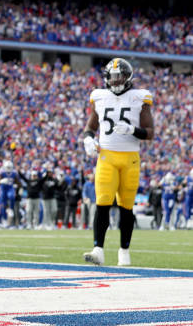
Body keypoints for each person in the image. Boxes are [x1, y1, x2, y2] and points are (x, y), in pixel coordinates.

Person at [82, 58, 154, 266]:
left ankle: (124, 251)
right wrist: (87, 138)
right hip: (107, 156)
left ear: (128, 77)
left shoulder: (140, 97)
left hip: (130, 158)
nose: (115, 81)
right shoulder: (99, 97)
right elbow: (91, 125)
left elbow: (150, 133)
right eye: (112, 77)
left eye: (119, 76)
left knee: (126, 207)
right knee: (102, 202)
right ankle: (98, 250)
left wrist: (132, 130)